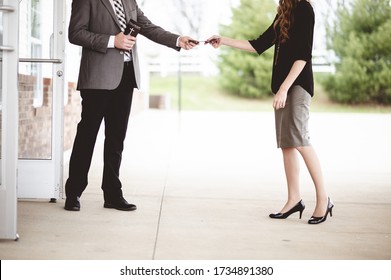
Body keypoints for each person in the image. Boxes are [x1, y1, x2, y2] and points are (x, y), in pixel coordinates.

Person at [207, 0, 333, 224]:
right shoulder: (285, 12)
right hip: (283, 87)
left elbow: (303, 55)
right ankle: (294, 199)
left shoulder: (304, 8)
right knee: (287, 142)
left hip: (297, 85)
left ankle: (324, 199)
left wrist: (284, 89)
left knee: (301, 140)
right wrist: (223, 40)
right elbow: (259, 44)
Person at [64, 0, 198, 212]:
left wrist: (178, 40)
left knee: (116, 139)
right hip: (98, 79)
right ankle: (74, 193)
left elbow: (149, 27)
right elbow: (76, 33)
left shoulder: (129, 1)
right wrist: (111, 41)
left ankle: (112, 194)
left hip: (126, 77)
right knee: (87, 136)